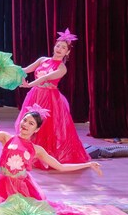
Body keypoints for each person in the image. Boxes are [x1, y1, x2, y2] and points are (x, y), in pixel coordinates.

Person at [16, 29, 90, 168]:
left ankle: (45, 157)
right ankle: (28, 153)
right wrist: (10, 69)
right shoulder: (42, 60)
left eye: (63, 47)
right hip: (35, 95)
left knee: (46, 127)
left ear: (67, 52)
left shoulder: (62, 68)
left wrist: (29, 84)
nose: (59, 49)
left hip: (50, 99)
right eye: (58, 46)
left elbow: (45, 78)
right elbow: (25, 69)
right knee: (30, 123)